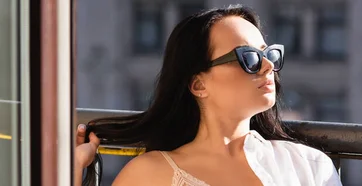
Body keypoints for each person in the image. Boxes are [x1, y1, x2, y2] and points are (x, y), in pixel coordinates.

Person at [74, 4, 342, 186]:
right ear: (198, 85)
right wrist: (70, 170)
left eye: (269, 53)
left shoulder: (308, 165)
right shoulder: (149, 174)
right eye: (248, 57)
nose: (268, 66)